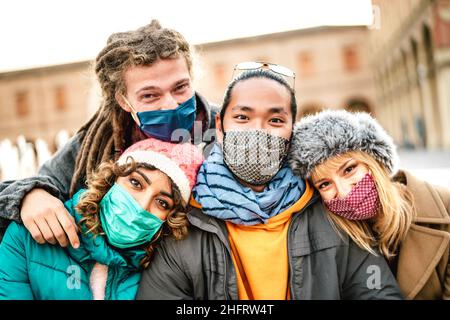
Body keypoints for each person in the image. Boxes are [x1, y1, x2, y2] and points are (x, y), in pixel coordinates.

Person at [136, 64, 403, 300]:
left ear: (291, 131)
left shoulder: (329, 214)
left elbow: (376, 289)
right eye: (242, 117)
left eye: (275, 120)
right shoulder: (185, 222)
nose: (258, 130)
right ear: (220, 126)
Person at [0, 19, 218, 247]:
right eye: (150, 95)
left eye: (180, 87)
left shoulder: (227, 130)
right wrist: (31, 196)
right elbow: (33, 184)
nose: (171, 104)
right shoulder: (97, 141)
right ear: (124, 101)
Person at [0, 137, 203, 299]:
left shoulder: (163, 268)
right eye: (135, 183)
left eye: (162, 203)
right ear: (111, 180)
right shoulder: (27, 236)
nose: (141, 206)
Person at [287, 109, 450, 299]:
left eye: (349, 169)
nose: (344, 192)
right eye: (325, 184)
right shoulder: (330, 234)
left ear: (374, 161)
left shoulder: (445, 207)